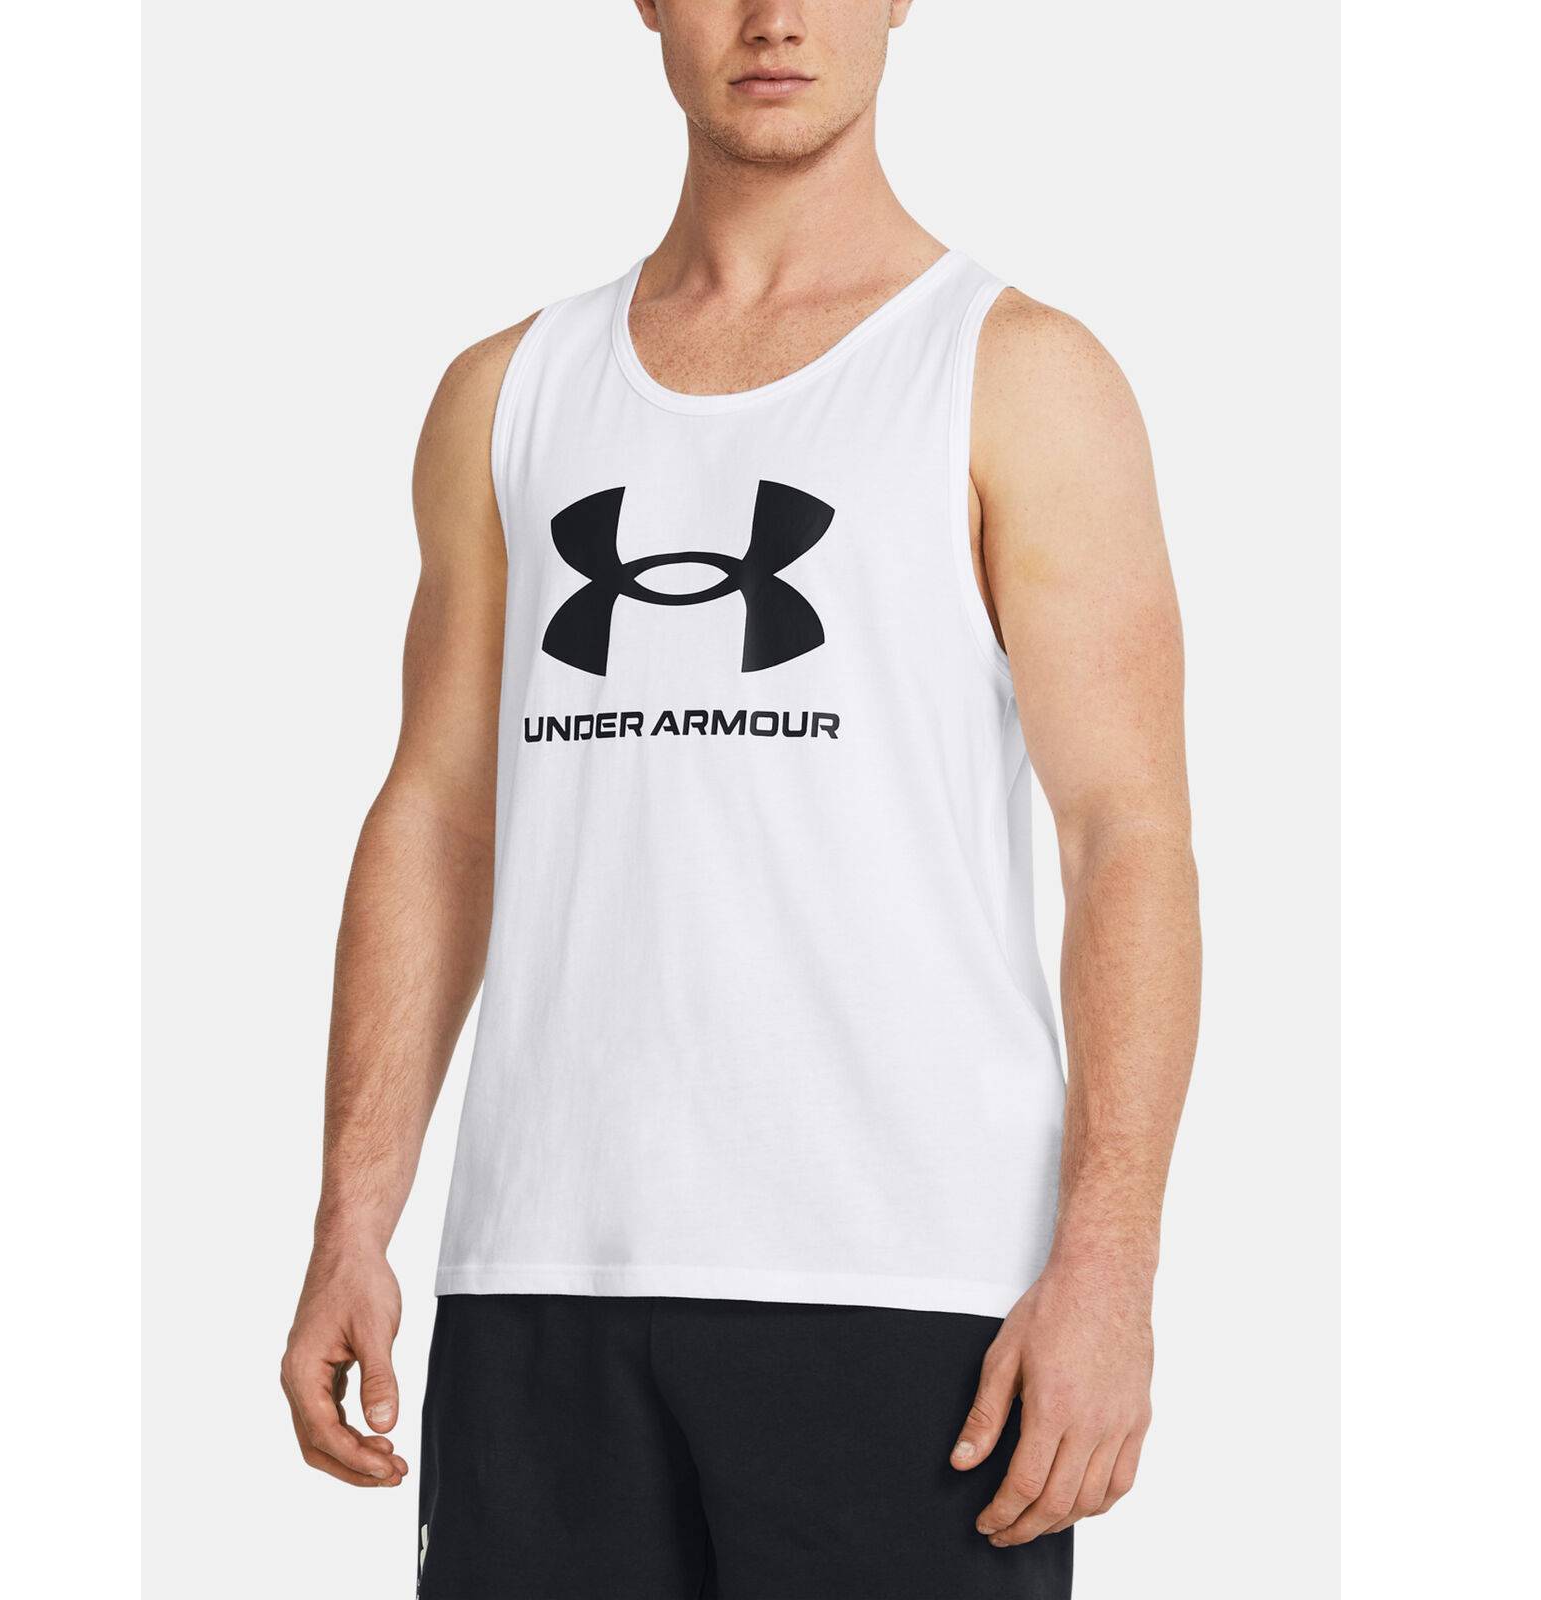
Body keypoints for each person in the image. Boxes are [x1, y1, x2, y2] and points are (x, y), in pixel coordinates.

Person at [280, 3, 1201, 1595]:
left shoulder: (1017, 376)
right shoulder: (508, 392)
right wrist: (353, 1219)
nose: (775, 16)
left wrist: (1110, 1268)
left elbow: (1128, 838)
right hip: (542, 1282)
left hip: (914, 1295)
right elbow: (436, 816)